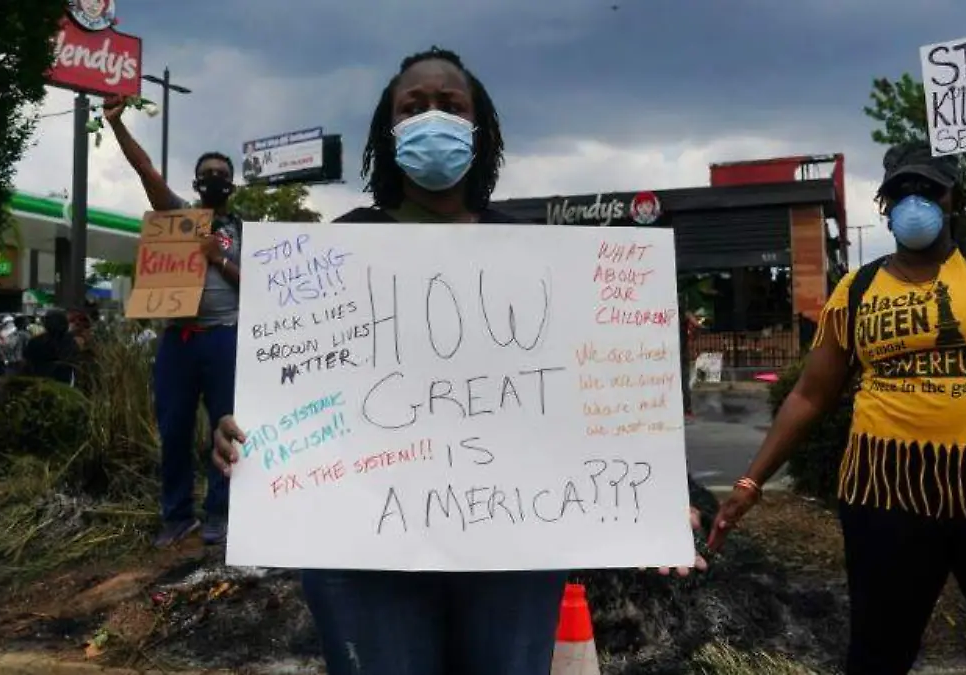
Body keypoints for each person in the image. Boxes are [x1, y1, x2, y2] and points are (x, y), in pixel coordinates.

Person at [213, 46, 703, 675]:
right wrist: (239, 432)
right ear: (388, 133)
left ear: (481, 127)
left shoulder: (539, 253)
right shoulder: (332, 250)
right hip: (363, 554)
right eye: (413, 107)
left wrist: (667, 493)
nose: (432, 117)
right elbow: (290, 386)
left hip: (513, 553)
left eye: (451, 105)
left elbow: (600, 394)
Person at [708, 141, 966, 675]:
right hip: (888, 494)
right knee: (877, 655)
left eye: (927, 189)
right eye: (901, 191)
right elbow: (810, 394)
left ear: (951, 198)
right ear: (886, 207)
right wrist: (749, 485)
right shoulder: (858, 288)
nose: (916, 200)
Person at [106, 97, 242, 548]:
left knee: (226, 428)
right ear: (196, 182)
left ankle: (219, 514)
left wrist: (220, 259)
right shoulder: (178, 217)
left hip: (226, 338)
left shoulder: (244, 232)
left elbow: (264, 286)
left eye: (222, 174)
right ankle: (177, 515)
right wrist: (116, 123)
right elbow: (146, 170)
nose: (215, 179)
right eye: (208, 173)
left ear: (232, 184)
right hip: (178, 340)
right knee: (174, 427)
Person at [22, 310, 79, 386]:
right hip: (64, 384)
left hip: (39, 383)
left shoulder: (35, 341)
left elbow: (27, 360)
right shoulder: (70, 342)